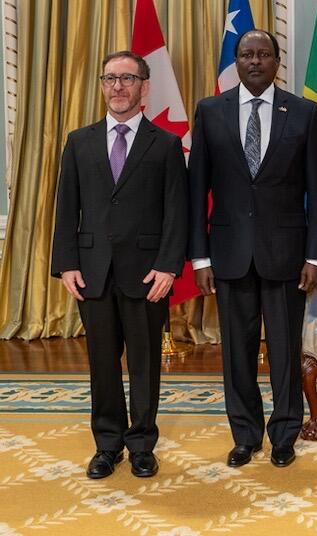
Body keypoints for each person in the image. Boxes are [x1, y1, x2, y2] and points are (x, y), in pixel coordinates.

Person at [188, 29, 317, 469]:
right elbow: (196, 190)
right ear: (237, 60)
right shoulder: (210, 111)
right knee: (237, 352)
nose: (255, 61)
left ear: (277, 61)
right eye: (246, 54)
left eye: (263, 54)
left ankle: (285, 433)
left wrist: (314, 255)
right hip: (227, 253)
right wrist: (200, 257)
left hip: (287, 255)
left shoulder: (304, 113)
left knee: (285, 351)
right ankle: (245, 434)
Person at [51, 51, 188, 479]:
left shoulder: (165, 144)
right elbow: (66, 207)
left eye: (128, 79)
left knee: (145, 364)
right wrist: (66, 264)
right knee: (102, 364)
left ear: (145, 87)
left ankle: (142, 444)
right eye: (110, 78)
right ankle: (107, 445)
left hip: (147, 274)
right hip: (91, 271)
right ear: (102, 85)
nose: (118, 87)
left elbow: (176, 211)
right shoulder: (79, 141)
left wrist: (168, 266)